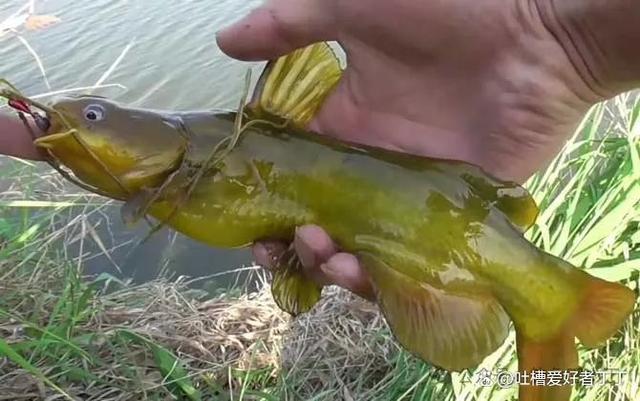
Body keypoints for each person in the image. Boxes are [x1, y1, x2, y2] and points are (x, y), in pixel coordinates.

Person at [2, 0, 639, 300]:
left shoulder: (202, 151)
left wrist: (548, 38)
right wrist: (559, 45)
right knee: (313, 254)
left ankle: (559, 304)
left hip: (440, 199)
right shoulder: (178, 163)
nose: (85, 120)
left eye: (95, 114)